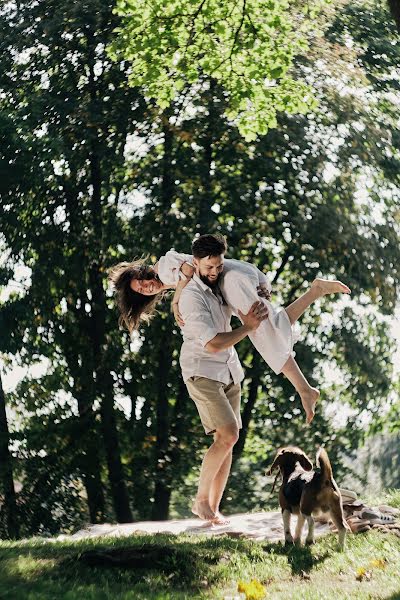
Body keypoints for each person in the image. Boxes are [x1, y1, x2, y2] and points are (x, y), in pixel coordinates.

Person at [109, 234, 350, 424]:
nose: (146, 287)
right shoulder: (167, 280)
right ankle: (316, 291)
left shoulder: (162, 267)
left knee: (258, 330)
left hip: (229, 277)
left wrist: (176, 299)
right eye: (141, 291)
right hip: (235, 274)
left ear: (142, 272)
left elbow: (190, 270)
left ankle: (304, 389)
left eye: (142, 281)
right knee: (267, 327)